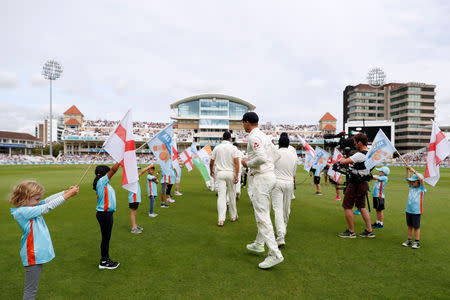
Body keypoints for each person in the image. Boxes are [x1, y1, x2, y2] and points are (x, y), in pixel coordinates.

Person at [10, 181, 79, 300]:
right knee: (30, 290)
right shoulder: (23, 212)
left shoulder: (30, 206)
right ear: (25, 198)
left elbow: (47, 201)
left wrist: (65, 192)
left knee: (31, 289)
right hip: (33, 254)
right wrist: (67, 195)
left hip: (36, 253)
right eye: (36, 199)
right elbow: (47, 207)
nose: (38, 202)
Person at [241, 112, 284, 269]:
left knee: (262, 216)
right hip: (269, 176)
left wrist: (248, 164)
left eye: (243, 123)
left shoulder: (253, 137)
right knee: (263, 212)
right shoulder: (264, 136)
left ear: (247, 122)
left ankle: (274, 254)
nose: (243, 126)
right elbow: (276, 155)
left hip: (262, 178)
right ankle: (259, 244)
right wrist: (265, 167)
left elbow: (262, 158)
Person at [337, 133, 375, 239]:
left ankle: (351, 232)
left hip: (355, 183)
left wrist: (343, 157)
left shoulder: (360, 154)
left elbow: (343, 161)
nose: (354, 144)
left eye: (355, 142)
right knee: (361, 206)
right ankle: (369, 230)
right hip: (364, 183)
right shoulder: (370, 153)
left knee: (347, 206)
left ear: (359, 142)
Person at [93, 163, 121, 269]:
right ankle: (104, 262)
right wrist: (119, 160)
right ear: (104, 174)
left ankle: (105, 259)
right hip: (105, 214)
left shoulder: (104, 183)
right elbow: (113, 170)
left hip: (106, 214)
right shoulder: (101, 182)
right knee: (105, 238)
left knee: (106, 238)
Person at [271, 133, 297, 247]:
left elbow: (270, 168)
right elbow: (294, 173)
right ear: (289, 144)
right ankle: (282, 232)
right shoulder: (293, 154)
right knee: (286, 209)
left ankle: (281, 235)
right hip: (289, 183)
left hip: (277, 182)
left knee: (278, 210)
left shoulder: (275, 153)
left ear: (279, 143)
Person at [210, 131, 240, 226]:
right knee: (231, 195)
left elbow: (211, 162)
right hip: (230, 173)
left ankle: (220, 219)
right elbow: (236, 163)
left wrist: (211, 170)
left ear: (222, 138)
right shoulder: (233, 148)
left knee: (221, 197)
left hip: (220, 173)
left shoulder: (217, 148)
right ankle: (233, 216)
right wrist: (236, 175)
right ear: (230, 139)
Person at [402, 166, 426, 249]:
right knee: (409, 226)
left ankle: (417, 242)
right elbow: (407, 179)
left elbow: (422, 180)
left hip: (416, 211)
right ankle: (409, 240)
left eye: (414, 181)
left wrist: (414, 171)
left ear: (418, 182)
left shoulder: (421, 189)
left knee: (416, 227)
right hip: (408, 210)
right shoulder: (411, 187)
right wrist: (407, 170)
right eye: (411, 181)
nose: (411, 182)